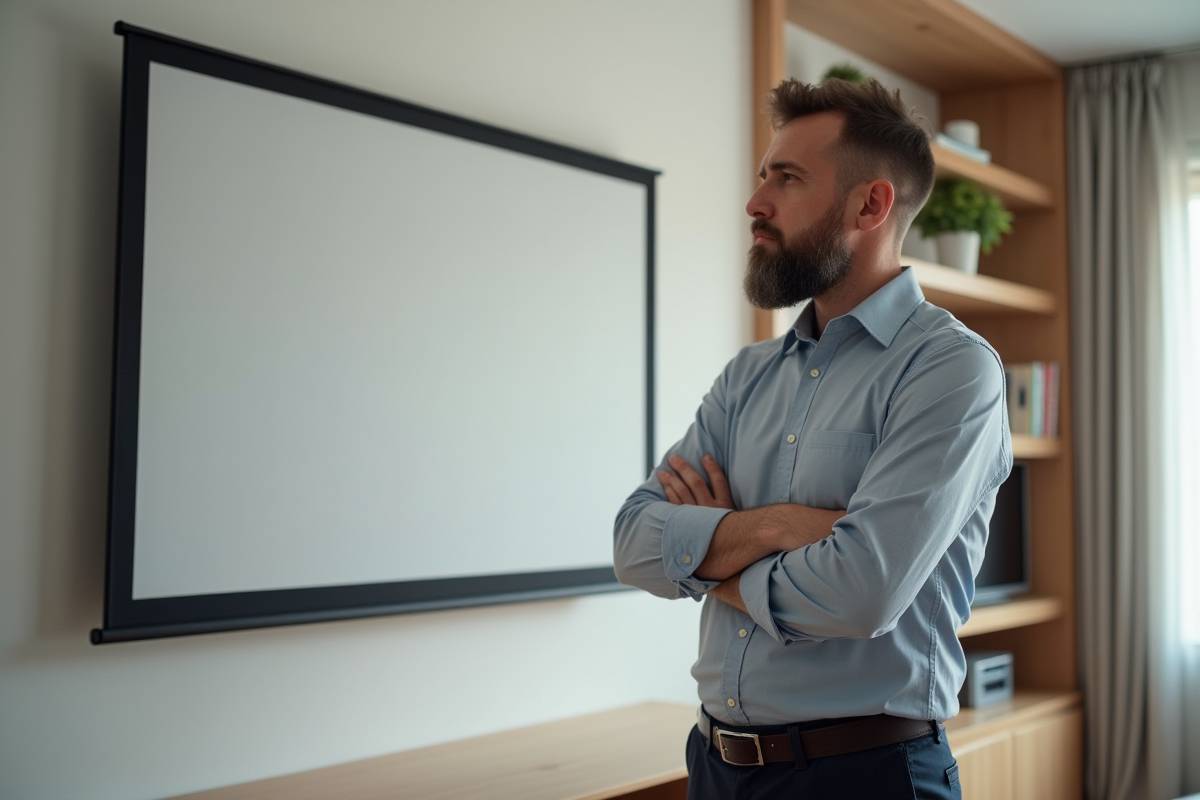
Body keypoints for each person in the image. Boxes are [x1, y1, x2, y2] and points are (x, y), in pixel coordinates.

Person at [613, 78, 1012, 800]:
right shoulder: (747, 376)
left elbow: (860, 594)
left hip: (867, 777)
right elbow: (635, 543)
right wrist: (775, 527)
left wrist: (707, 551)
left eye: (787, 178)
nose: (755, 202)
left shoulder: (952, 371)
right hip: (713, 765)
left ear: (871, 204)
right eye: (764, 174)